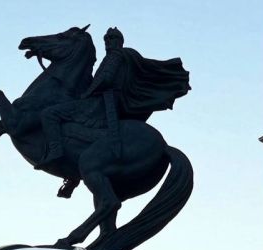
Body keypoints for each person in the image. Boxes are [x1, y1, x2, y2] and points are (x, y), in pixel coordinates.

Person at [34, 27, 190, 171]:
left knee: (50, 114)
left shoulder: (115, 56)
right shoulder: (121, 56)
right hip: (105, 101)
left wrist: (86, 93)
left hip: (99, 104)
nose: (108, 42)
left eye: (112, 39)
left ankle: (55, 151)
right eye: (107, 39)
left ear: (119, 41)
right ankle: (72, 170)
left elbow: (106, 79)